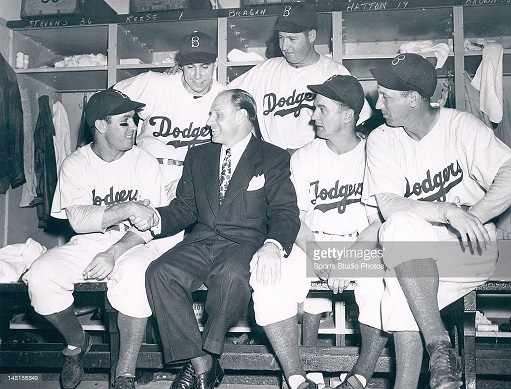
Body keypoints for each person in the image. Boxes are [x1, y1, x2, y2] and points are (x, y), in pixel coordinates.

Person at [130, 89, 300, 389]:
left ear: (242, 117)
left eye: (216, 114)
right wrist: (156, 217)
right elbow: (184, 208)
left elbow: (285, 212)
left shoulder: (272, 157)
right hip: (201, 240)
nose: (208, 121)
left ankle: (208, 352)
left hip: (243, 243)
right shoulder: (198, 155)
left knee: (232, 276)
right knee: (159, 272)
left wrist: (273, 246)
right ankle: (201, 362)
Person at [363, 53, 511, 389]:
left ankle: (430, 361)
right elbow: (388, 204)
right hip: (413, 250)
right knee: (398, 239)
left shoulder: (461, 126)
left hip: (468, 249)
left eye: (386, 96)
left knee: (399, 276)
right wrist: (447, 211)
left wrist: (473, 216)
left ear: (414, 99)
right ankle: (440, 352)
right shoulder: (382, 139)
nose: (378, 105)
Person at [23, 89, 166, 389]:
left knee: (136, 274)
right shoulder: (76, 164)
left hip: (134, 244)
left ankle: (124, 374)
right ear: (101, 126)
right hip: (88, 242)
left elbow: (148, 226)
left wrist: (113, 253)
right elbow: (78, 219)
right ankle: (77, 343)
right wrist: (126, 207)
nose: (134, 128)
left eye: (134, 120)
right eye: (125, 122)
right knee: (40, 275)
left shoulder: (146, 163)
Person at [250, 75, 386, 389]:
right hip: (310, 244)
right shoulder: (305, 156)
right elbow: (292, 217)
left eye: (322, 110)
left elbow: (379, 222)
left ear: (348, 115)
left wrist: (348, 260)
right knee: (266, 274)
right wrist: (320, 256)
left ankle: (359, 378)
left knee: (384, 285)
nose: (313, 116)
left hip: (361, 247)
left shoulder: (374, 155)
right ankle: (297, 379)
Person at [229, 3, 373, 153]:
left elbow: (356, 127)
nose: (284, 46)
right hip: (272, 163)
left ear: (311, 36)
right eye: (281, 38)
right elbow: (226, 98)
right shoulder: (265, 69)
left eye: (292, 39)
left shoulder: (334, 72)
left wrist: (306, 153)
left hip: (317, 159)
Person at [114, 30, 227, 202]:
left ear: (215, 64)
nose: (198, 76)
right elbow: (105, 102)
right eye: (190, 67)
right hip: (146, 173)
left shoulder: (225, 97)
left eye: (204, 66)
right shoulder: (155, 84)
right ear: (181, 65)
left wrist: (189, 182)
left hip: (200, 180)